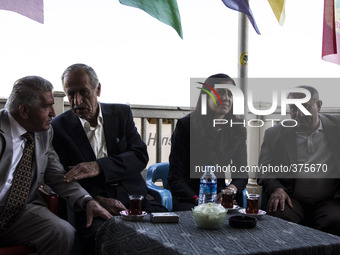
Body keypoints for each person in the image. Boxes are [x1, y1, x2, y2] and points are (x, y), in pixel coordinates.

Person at [52, 63, 165, 254]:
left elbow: (139, 156)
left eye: (83, 92)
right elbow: (63, 178)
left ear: (98, 89)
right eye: (70, 94)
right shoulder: (59, 127)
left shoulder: (121, 113)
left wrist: (99, 166)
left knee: (170, 227)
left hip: (135, 199)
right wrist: (95, 199)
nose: (77, 100)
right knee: (111, 241)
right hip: (94, 205)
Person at [0, 76, 111, 255]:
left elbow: (57, 174)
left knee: (63, 233)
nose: (53, 112)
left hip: (19, 210)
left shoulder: (44, 132)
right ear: (24, 110)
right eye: (46, 106)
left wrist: (86, 200)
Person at [258, 85, 340, 236]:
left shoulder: (337, 127)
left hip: (330, 200)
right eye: (293, 108)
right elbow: (264, 168)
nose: (299, 114)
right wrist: (277, 189)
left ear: (319, 105)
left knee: (335, 221)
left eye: (305, 106)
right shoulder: (275, 134)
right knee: (280, 217)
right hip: (291, 198)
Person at [168, 74, 248, 211]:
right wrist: (198, 200)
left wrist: (230, 191)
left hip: (219, 195)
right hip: (189, 196)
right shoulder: (187, 125)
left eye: (230, 94)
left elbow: (241, 172)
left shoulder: (237, 128)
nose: (225, 98)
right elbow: (175, 176)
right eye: (220, 92)